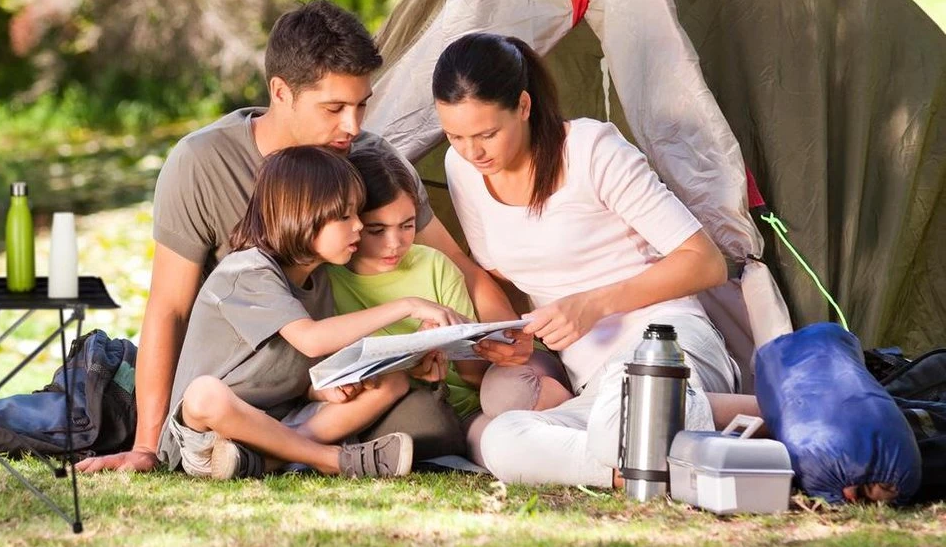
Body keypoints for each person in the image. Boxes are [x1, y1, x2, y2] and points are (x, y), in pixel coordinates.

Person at [79, 0, 528, 474]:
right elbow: (169, 308)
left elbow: (459, 265)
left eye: (361, 105)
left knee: (426, 424)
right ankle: (299, 453)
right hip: (243, 383)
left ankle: (269, 453)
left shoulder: (371, 157)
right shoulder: (203, 164)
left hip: (326, 384)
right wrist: (146, 446)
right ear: (281, 92)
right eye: (334, 108)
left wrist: (508, 341)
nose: (353, 127)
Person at [432, 31, 737, 488]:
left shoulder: (592, 151)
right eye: (454, 136)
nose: (472, 151)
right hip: (593, 386)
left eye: (487, 134)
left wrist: (593, 304)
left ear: (524, 106)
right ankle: (629, 470)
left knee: (624, 412)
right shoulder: (463, 169)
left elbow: (705, 262)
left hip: (666, 342)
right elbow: (505, 271)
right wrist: (520, 338)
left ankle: (671, 435)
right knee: (501, 437)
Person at [157, 146, 465, 479]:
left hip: (282, 423)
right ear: (301, 216)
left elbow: (295, 372)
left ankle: (271, 458)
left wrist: (324, 388)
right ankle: (331, 459)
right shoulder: (246, 272)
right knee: (203, 394)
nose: (358, 225)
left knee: (390, 381)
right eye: (345, 216)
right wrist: (407, 305)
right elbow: (311, 340)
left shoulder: (318, 279)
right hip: (210, 434)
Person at [328, 145, 572, 461]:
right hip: (446, 415)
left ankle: (582, 417)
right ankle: (576, 444)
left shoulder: (433, 264)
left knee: (508, 393)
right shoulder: (330, 281)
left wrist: (455, 339)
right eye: (377, 230)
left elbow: (475, 376)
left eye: (407, 225)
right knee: (501, 449)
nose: (395, 244)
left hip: (485, 390)